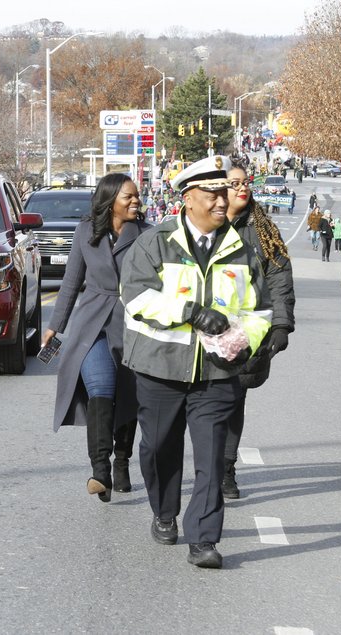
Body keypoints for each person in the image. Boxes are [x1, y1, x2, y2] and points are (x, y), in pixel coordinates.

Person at [120, 155, 273, 569]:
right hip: (160, 367)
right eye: (213, 194)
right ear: (189, 198)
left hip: (217, 373)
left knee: (210, 454)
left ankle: (204, 538)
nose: (223, 201)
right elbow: (135, 297)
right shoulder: (155, 241)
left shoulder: (242, 248)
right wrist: (189, 311)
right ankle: (164, 512)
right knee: (157, 448)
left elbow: (261, 308)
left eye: (225, 193)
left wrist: (245, 342)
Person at [43, 173, 149, 502]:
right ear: (110, 201)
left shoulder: (147, 234)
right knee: (101, 390)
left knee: (128, 394)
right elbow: (71, 283)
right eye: (127, 197)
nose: (135, 201)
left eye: (136, 196)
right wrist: (54, 326)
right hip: (92, 324)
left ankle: (122, 460)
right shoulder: (84, 232)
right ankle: (100, 470)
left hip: (134, 324)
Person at [221, 165, 295, 500]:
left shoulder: (263, 229)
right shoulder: (203, 224)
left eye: (245, 183)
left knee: (234, 399)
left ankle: (225, 468)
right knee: (204, 403)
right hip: (203, 330)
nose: (242, 188)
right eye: (233, 183)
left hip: (248, 330)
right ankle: (203, 465)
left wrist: (280, 324)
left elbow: (280, 278)